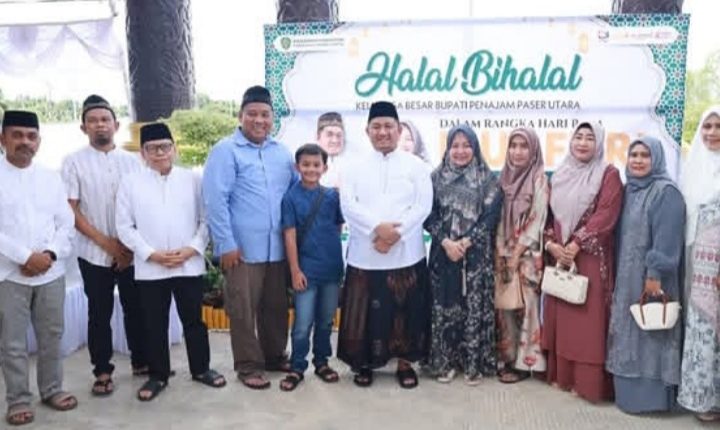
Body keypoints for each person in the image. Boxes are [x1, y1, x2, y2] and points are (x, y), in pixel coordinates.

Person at [116, 123, 226, 401]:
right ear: (142, 153)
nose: (159, 153)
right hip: (151, 267)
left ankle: (201, 369)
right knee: (154, 323)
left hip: (187, 264)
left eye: (165, 147)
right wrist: (150, 254)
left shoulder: (192, 179)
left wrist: (191, 249)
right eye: (152, 148)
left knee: (194, 321)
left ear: (175, 149)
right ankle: (158, 375)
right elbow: (124, 226)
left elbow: (206, 219)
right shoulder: (131, 183)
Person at [202, 85, 296, 390]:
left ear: (272, 118)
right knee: (242, 309)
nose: (259, 120)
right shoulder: (225, 151)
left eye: (265, 114)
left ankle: (274, 356)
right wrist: (226, 244)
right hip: (241, 250)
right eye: (252, 114)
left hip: (277, 248)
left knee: (275, 307)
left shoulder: (281, 152)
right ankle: (248, 365)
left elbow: (295, 193)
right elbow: (215, 201)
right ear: (240, 116)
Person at [337, 101, 433, 389]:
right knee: (365, 314)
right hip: (365, 253)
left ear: (399, 129)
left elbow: (423, 206)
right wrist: (376, 230)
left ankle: (405, 364)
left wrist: (395, 235)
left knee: (406, 312)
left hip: (406, 253)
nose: (382, 132)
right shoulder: (352, 167)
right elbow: (348, 205)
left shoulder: (417, 166)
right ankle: (364, 363)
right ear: (367, 131)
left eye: (388, 126)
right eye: (376, 127)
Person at [61, 94, 147, 397]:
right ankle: (102, 370)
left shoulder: (132, 162)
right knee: (99, 313)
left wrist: (127, 247)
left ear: (116, 125)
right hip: (93, 252)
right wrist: (108, 244)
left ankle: (141, 361)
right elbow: (70, 209)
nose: (99, 125)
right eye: (93, 120)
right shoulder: (73, 162)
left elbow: (140, 205)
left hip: (130, 252)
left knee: (135, 308)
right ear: (83, 127)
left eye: (105, 119)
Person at [0, 110, 77, 426]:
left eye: (31, 136)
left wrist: (49, 254)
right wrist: (24, 257)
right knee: (12, 342)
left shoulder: (49, 177)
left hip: (50, 271)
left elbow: (66, 222)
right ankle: (18, 399)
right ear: (2, 138)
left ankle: (52, 389)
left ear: (39, 142)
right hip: (8, 274)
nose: (25, 142)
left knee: (51, 335)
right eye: (17, 135)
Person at [542, 121, 623, 403]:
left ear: (599, 143)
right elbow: (549, 216)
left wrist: (577, 242)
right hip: (562, 256)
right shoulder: (560, 174)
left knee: (588, 322)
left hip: (590, 257)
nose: (583, 143)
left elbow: (606, 214)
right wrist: (552, 244)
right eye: (579, 137)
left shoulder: (608, 174)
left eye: (590, 138)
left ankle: (588, 383)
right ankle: (564, 376)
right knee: (564, 318)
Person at [606, 136, 685, 413]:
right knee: (629, 333)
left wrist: (654, 275)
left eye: (645, 155)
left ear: (657, 159)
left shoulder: (666, 192)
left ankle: (653, 400)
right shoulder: (629, 190)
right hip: (627, 277)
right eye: (634, 155)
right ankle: (628, 396)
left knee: (652, 332)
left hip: (653, 278)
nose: (638, 160)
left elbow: (667, 238)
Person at [424, 125, 503, 385]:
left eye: (466, 145)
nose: (460, 151)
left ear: (475, 148)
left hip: (476, 256)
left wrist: (466, 242)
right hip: (443, 254)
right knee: (445, 307)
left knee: (473, 308)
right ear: (447, 149)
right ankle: (445, 363)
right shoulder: (435, 178)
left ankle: (473, 364)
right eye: (455, 146)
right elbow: (428, 215)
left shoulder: (488, 180)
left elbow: (490, 218)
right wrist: (447, 242)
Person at [279, 143, 345, 391]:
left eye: (316, 165)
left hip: (331, 269)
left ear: (324, 168)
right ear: (297, 167)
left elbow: (338, 227)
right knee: (302, 323)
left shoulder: (332, 197)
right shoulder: (290, 198)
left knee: (326, 321)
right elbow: (289, 236)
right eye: (305, 164)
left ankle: (322, 362)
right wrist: (295, 270)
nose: (311, 169)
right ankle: (297, 367)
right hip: (305, 272)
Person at [495, 127, 548, 383]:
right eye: (513, 146)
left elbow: (537, 219)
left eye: (524, 146)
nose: (517, 152)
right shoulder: (502, 179)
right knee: (505, 307)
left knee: (527, 309)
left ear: (534, 150)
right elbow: (495, 219)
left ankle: (525, 363)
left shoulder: (539, 179)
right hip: (503, 254)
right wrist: (500, 251)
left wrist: (516, 252)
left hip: (526, 257)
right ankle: (507, 357)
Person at [678, 106, 720, 422]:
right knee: (702, 326)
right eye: (707, 126)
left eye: (718, 127)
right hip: (698, 262)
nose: (712, 133)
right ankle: (702, 398)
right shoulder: (691, 170)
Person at [316, 112, 346, 188]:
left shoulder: (354, 165)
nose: (335, 140)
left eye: (339, 135)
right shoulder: (307, 166)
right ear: (318, 136)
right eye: (329, 135)